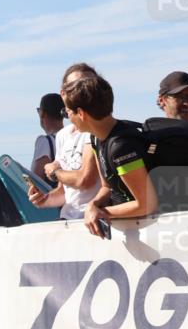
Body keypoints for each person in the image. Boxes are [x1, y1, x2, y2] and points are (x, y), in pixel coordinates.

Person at [62, 74, 159, 237]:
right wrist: (93, 205)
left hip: (152, 231)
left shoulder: (121, 147)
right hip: (132, 230)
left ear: (81, 113)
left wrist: (103, 212)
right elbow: (107, 187)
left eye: (68, 112)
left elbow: (147, 204)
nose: (68, 119)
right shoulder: (95, 138)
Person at [29, 63, 101, 220]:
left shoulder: (98, 130)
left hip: (94, 221)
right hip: (67, 220)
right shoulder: (63, 135)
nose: (85, 90)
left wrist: (55, 172)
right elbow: (64, 193)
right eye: (76, 86)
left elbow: (85, 180)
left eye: (91, 85)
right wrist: (43, 199)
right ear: (64, 93)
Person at [31, 93, 65, 184]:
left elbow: (36, 180)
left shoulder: (45, 142)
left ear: (43, 113)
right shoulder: (72, 137)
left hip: (54, 196)